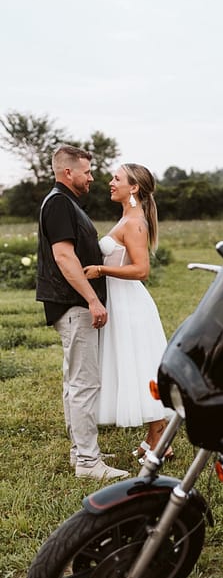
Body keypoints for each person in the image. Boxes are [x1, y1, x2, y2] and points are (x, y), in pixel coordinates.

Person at [37, 145, 129, 481]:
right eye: (87, 172)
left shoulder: (65, 202)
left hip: (72, 303)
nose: (92, 177)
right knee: (83, 384)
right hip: (74, 304)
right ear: (67, 173)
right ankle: (89, 463)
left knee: (75, 382)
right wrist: (92, 299)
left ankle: (82, 452)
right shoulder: (60, 203)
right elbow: (64, 258)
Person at [83, 163, 171, 463]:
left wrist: (100, 269)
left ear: (133, 188)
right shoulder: (128, 218)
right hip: (120, 303)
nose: (110, 182)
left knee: (140, 367)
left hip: (131, 304)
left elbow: (141, 269)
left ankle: (159, 436)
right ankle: (156, 437)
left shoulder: (134, 223)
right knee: (135, 366)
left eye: (116, 178)